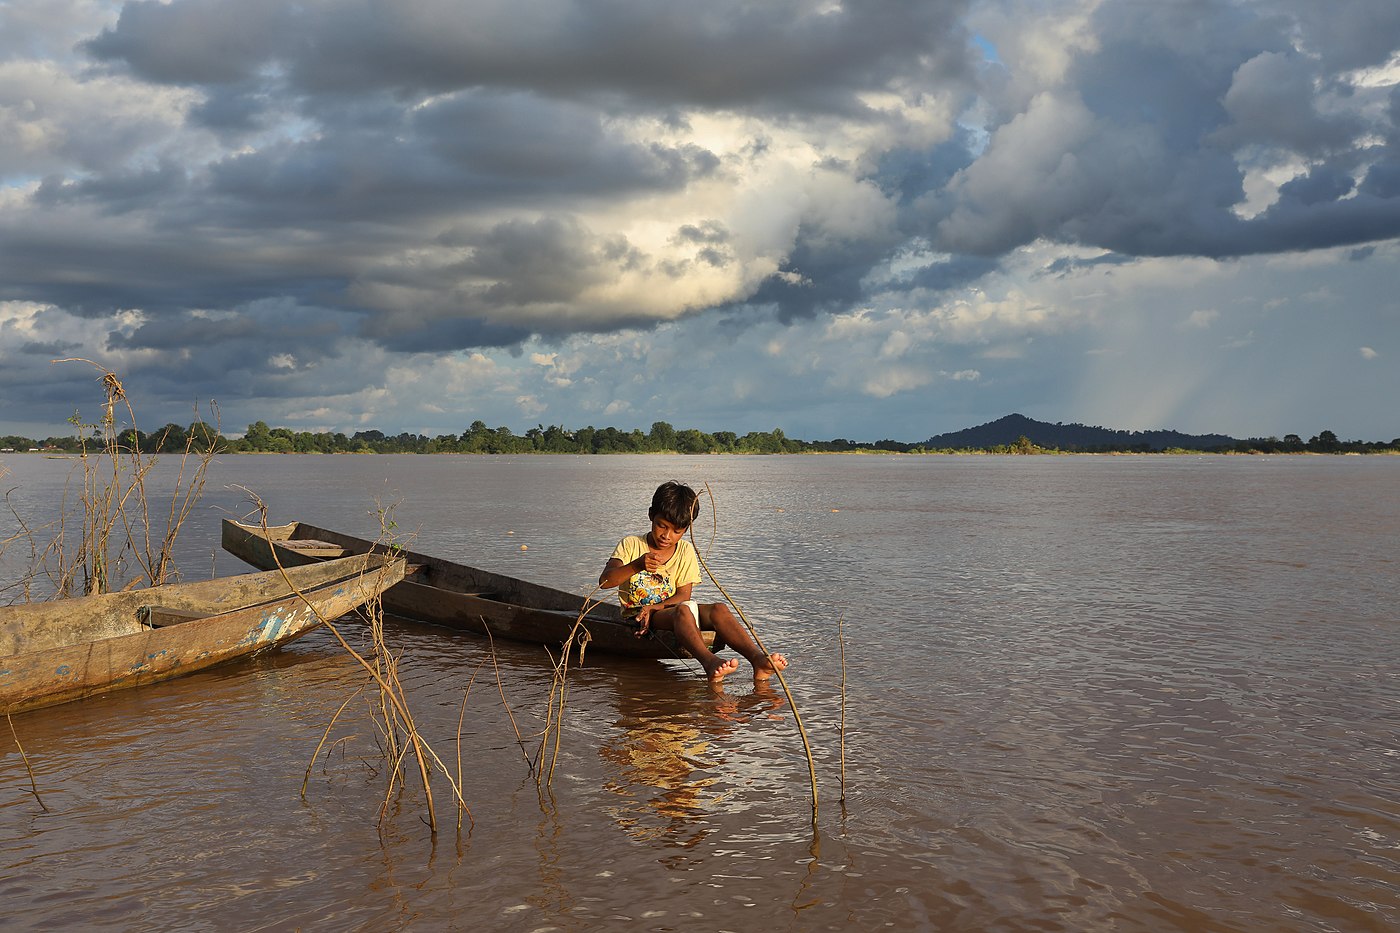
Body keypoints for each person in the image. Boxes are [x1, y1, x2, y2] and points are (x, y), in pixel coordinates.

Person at [599, 480, 789, 682]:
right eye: (661, 526)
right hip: (638, 617)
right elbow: (605, 581)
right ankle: (709, 662)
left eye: (676, 531)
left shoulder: (685, 551)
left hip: (665, 609)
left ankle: (757, 659)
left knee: (719, 608)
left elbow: (683, 595)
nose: (666, 536)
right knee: (684, 610)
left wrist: (656, 607)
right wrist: (637, 565)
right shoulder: (631, 544)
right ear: (650, 516)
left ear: (686, 529)